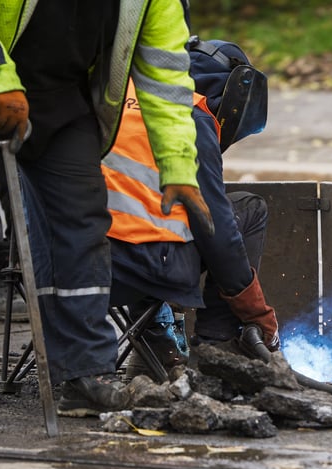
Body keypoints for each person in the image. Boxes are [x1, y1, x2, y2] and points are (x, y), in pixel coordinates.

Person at [0, 0, 213, 423]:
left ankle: (83, 373)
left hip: (58, 91)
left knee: (81, 221)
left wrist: (177, 166)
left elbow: (166, 71)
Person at [106, 35, 279, 381]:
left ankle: (154, 347)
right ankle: (218, 347)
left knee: (151, 213)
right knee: (245, 209)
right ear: (228, 93)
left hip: (72, 269)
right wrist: (256, 311)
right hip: (145, 269)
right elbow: (217, 231)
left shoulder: (113, 96)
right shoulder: (189, 116)